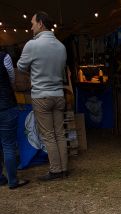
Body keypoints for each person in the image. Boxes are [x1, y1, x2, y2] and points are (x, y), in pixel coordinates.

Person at [17, 11, 68, 181]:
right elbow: (61, 72)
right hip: (58, 94)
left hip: (41, 95)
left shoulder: (32, 45)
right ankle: (64, 169)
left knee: (48, 135)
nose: (31, 27)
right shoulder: (61, 46)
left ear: (40, 23)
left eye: (32, 23)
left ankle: (55, 170)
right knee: (60, 133)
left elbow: (21, 66)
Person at [0, 49, 29, 189]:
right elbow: (12, 78)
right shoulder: (4, 57)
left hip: (5, 105)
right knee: (8, 145)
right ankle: (13, 180)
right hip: (6, 105)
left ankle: (0, 178)